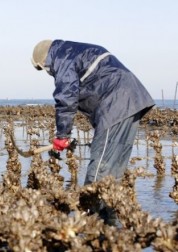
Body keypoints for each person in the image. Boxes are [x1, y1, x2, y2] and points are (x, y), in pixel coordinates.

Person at [31, 39, 155, 223]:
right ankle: (111, 229)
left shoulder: (62, 57)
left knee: (98, 174)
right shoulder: (73, 51)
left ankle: (91, 226)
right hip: (132, 101)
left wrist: (62, 136)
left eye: (43, 68)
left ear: (45, 61)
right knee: (113, 174)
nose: (48, 73)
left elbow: (66, 98)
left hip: (116, 105)